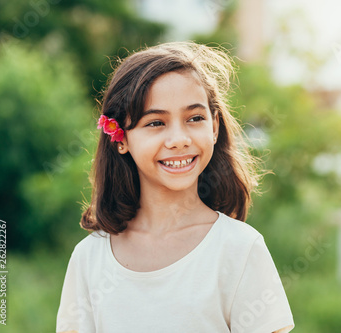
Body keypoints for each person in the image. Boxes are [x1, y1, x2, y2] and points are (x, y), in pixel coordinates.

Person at [56, 42, 294, 333]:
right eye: (156, 122)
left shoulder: (240, 250)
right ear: (120, 139)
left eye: (195, 118)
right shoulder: (89, 259)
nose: (179, 139)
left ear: (215, 126)